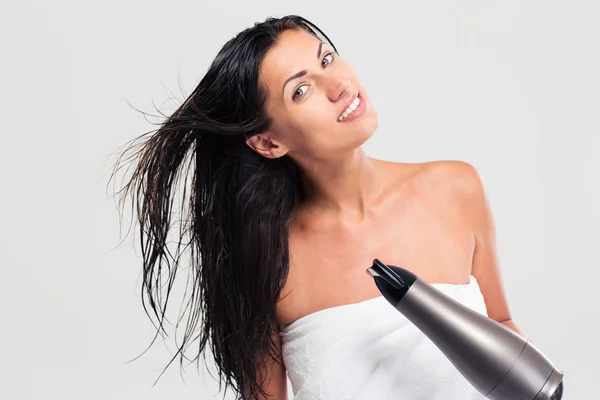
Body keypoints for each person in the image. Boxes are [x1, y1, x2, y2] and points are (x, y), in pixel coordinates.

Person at [111, 14, 522, 400]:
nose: (339, 84)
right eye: (301, 90)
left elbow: (502, 329)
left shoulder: (455, 188)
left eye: (326, 58)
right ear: (268, 142)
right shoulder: (267, 257)